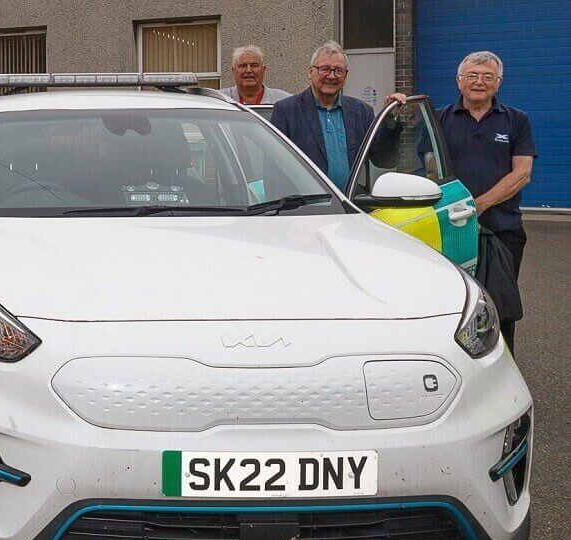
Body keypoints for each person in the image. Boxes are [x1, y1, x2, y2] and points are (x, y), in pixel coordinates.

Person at [436, 51, 536, 352]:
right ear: (459, 80)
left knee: (499, 308)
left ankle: (503, 372)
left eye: (487, 77)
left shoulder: (517, 120)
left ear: (499, 82)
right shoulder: (438, 118)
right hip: (450, 230)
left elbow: (523, 173)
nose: (479, 82)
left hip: (502, 231)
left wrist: (478, 205)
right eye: (473, 76)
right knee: (451, 306)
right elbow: (422, 166)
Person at [270, 41, 406, 191]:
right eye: (324, 69)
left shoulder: (361, 111)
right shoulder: (286, 111)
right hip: (306, 209)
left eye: (338, 70)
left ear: (346, 76)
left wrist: (390, 119)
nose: (332, 76)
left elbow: (384, 161)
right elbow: (273, 169)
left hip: (351, 206)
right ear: (310, 72)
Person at [220, 45, 290, 105]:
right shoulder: (219, 99)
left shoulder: (283, 100)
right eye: (243, 65)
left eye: (254, 65)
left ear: (263, 70)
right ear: (234, 71)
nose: (248, 70)